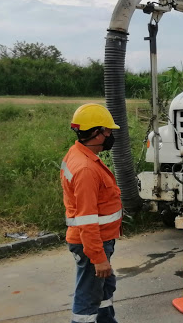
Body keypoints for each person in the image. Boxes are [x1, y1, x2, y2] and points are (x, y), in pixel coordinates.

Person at [60, 103, 123, 323]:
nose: (110, 135)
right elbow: (86, 219)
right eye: (107, 131)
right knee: (88, 297)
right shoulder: (86, 169)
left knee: (104, 289)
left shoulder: (79, 153)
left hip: (97, 240)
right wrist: (98, 258)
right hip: (92, 244)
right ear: (96, 133)